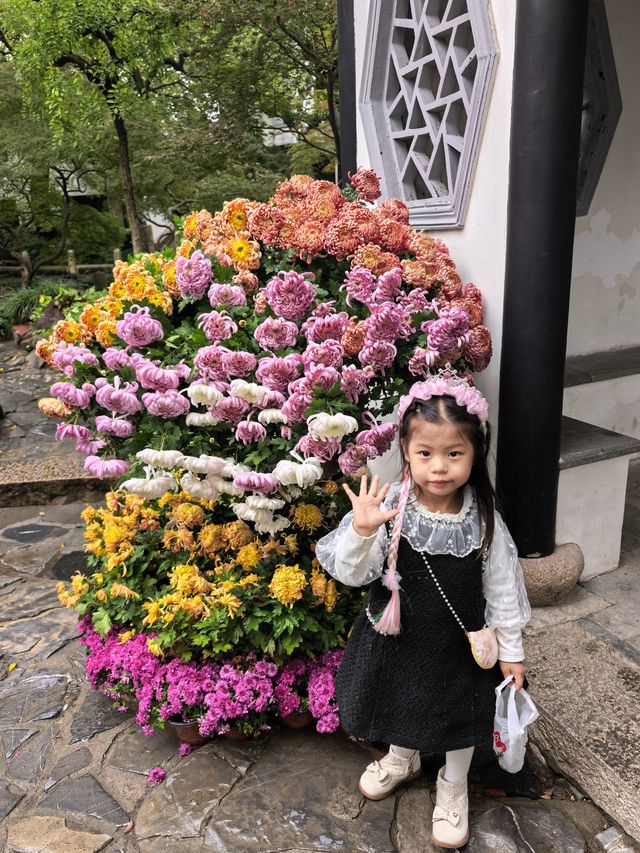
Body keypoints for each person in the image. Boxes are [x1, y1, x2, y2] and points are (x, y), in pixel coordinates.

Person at [315, 374, 531, 849]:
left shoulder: (483, 518)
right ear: (407, 452)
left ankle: (453, 785)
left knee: (458, 715)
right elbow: (353, 572)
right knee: (401, 698)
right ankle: (401, 755)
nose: (439, 467)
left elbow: (502, 588)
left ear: (475, 455)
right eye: (425, 453)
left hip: (460, 645)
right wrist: (363, 530)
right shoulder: (391, 504)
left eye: (454, 453)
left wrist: (511, 650)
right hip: (401, 638)